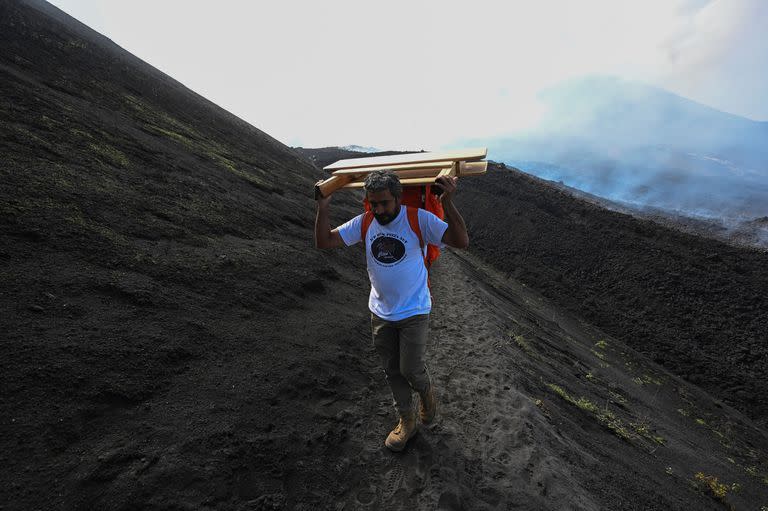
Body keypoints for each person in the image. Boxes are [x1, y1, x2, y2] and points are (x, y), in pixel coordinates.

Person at [314, 170, 469, 451]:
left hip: (414, 310)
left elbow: (461, 241)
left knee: (410, 368)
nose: (379, 209)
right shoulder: (366, 221)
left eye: (384, 203)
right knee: (392, 371)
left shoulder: (416, 219)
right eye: (373, 203)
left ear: (398, 197)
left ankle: (426, 391)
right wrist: (323, 206)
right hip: (381, 312)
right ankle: (406, 422)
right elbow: (325, 241)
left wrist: (448, 202)